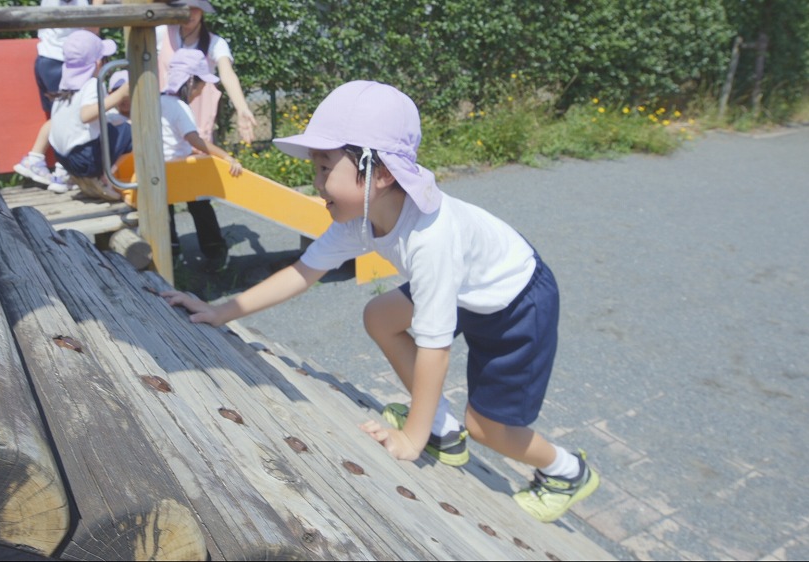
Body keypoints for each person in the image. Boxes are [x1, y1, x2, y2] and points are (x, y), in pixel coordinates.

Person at [161, 81, 599, 524]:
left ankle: (566, 471)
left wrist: (410, 437)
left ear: (380, 174)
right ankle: (444, 432)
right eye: (316, 168)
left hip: (517, 302)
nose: (315, 183)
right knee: (380, 315)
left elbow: (436, 349)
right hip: (467, 283)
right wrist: (221, 312)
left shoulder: (430, 239)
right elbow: (302, 274)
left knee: (489, 428)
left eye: (325, 167)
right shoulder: (361, 219)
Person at [159, 0, 257, 269]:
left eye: (196, 7)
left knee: (198, 195)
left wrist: (242, 108)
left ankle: (213, 249)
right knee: (162, 196)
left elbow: (227, 74)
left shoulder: (214, 43)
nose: (190, 13)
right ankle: (169, 249)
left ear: (203, 11)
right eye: (184, 6)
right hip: (168, 125)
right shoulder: (162, 31)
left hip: (196, 125)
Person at [14, 0, 103, 187]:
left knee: (60, 115)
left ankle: (58, 168)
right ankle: (38, 160)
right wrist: (99, 4)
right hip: (63, 62)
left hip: (47, 59)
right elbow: (92, 28)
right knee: (67, 116)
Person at [161, 48, 243, 225]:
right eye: (201, 87)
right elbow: (195, 140)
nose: (200, 93)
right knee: (200, 202)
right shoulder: (180, 107)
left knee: (164, 211)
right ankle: (214, 248)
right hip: (179, 169)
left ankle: (172, 250)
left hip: (159, 169)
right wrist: (226, 157)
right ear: (191, 82)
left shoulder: (158, 101)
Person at [46, 30, 130, 201]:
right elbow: (86, 115)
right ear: (98, 63)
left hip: (64, 159)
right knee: (130, 132)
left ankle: (89, 179)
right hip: (85, 159)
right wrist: (121, 94)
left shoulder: (65, 86)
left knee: (112, 125)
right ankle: (105, 177)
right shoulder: (92, 83)